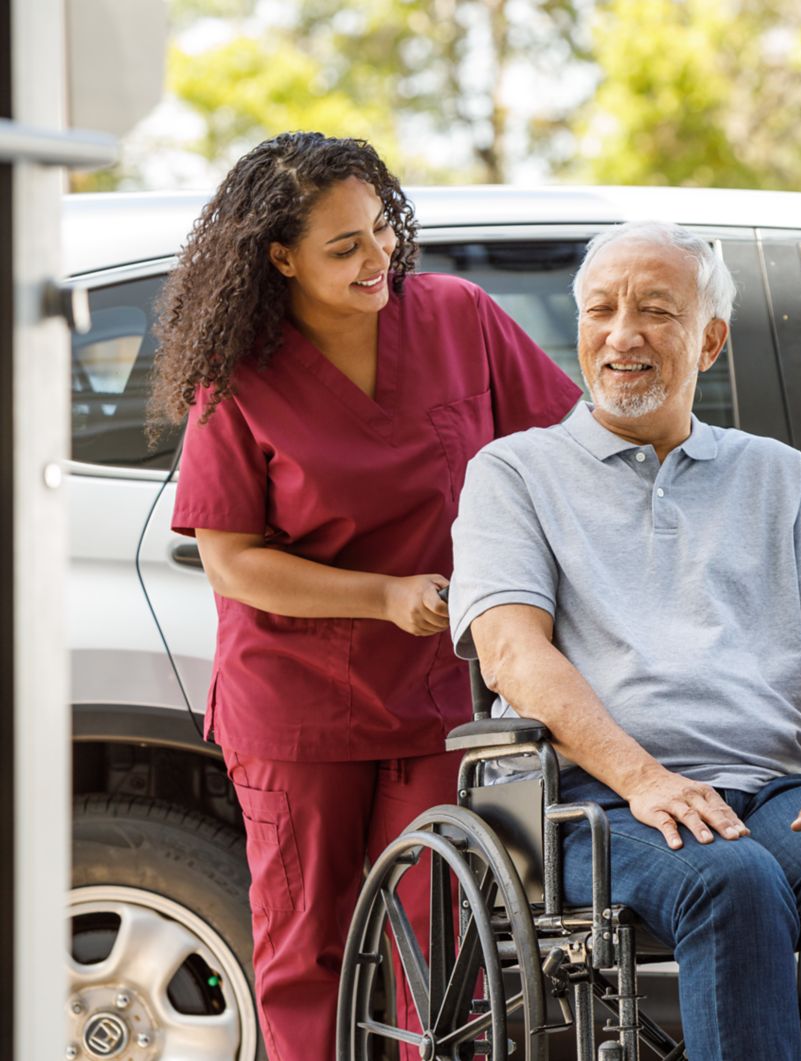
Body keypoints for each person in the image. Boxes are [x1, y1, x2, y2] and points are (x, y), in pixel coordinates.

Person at [449, 221, 801, 1060]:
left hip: (767, 795)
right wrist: (642, 778)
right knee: (732, 881)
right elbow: (512, 653)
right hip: (594, 803)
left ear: (710, 340)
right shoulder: (513, 473)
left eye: (656, 310)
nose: (622, 334)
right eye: (601, 309)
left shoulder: (779, 475)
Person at [150, 131, 581, 1060]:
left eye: (381, 229)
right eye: (343, 246)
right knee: (310, 947)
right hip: (297, 700)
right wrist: (383, 594)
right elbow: (231, 560)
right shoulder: (238, 375)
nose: (376, 256)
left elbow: (565, 453)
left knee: (444, 945)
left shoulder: (459, 318)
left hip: (440, 697)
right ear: (281, 257)